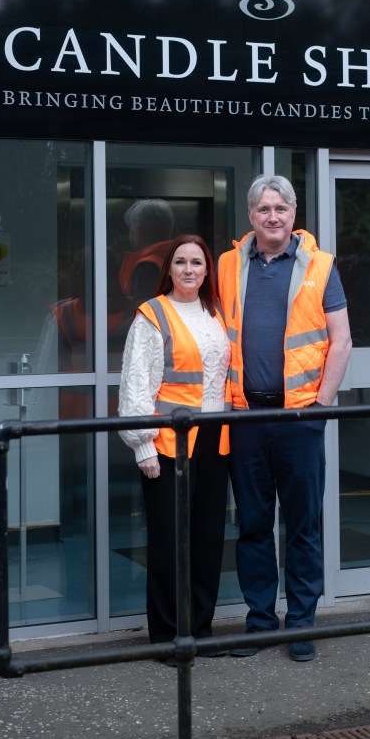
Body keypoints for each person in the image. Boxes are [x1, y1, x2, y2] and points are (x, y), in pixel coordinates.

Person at [217, 175, 352, 662]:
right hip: (245, 414)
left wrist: (321, 405)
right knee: (252, 524)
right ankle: (258, 622)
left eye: (281, 208)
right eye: (263, 209)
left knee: (302, 524)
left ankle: (300, 622)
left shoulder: (320, 265)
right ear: (250, 216)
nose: (272, 217)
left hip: (299, 416)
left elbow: (343, 339)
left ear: (294, 214)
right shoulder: (228, 265)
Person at [118, 234, 231, 664]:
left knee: (207, 540)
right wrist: (141, 444)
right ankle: (167, 636)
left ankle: (200, 630)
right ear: (168, 268)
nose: (188, 270)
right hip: (166, 444)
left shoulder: (215, 312)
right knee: (168, 543)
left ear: (207, 271)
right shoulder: (152, 316)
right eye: (181, 262)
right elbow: (135, 386)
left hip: (213, 441)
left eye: (197, 263)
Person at [119, 198, 174, 306]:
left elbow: (142, 309)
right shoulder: (176, 259)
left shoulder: (147, 267)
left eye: (131, 228)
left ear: (140, 232)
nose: (130, 234)